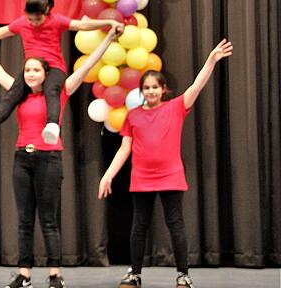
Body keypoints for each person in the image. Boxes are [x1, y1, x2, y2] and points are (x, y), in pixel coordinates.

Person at [0, 27, 120, 288]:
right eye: (27, 70)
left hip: (49, 159)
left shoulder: (59, 91)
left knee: (49, 220)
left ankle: (54, 273)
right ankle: (24, 273)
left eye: (35, 70)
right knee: (25, 220)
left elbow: (87, 66)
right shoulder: (19, 92)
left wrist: (108, 39)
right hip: (22, 159)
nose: (30, 74)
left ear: (46, 73)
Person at [98, 39, 233, 288]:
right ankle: (135, 273)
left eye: (154, 87)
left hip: (170, 175)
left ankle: (183, 274)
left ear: (163, 89)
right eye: (146, 88)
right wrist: (108, 175)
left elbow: (197, 85)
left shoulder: (176, 107)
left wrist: (211, 60)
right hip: (142, 176)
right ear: (141, 91)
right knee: (139, 225)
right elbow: (124, 148)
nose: (150, 91)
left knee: (175, 224)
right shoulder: (133, 115)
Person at [0, 0, 124, 148]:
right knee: (12, 94)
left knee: (52, 90)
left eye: (38, 19)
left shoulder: (56, 21)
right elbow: (1, 32)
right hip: (33, 66)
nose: (34, 23)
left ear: (47, 11)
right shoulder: (22, 23)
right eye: (31, 19)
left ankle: (52, 125)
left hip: (54, 67)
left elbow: (82, 25)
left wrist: (108, 23)